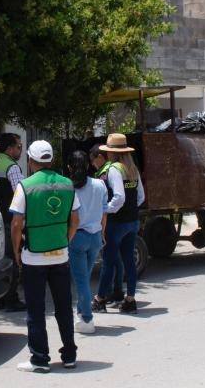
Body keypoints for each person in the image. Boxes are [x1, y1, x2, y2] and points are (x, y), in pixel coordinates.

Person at [10, 140, 80, 373]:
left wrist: (16, 250)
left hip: (33, 258)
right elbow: (75, 220)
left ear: (30, 160)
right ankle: (69, 356)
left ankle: (40, 359)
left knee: (36, 310)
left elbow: (16, 224)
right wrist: (65, 240)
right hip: (61, 255)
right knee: (64, 307)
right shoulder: (68, 184)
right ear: (51, 160)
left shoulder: (25, 186)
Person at [95, 134, 145, 314]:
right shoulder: (132, 169)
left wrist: (106, 209)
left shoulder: (114, 169)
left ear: (112, 153)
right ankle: (130, 299)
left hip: (116, 223)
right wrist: (130, 209)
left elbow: (119, 197)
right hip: (132, 220)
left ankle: (100, 299)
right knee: (129, 261)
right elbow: (141, 197)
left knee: (108, 262)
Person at [0, 132, 27, 312]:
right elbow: (21, 195)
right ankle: (11, 299)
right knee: (13, 258)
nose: (20, 150)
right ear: (9, 149)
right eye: (19, 146)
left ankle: (0, 298)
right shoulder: (12, 168)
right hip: (9, 221)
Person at [66, 150, 107, 335]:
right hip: (95, 236)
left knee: (81, 280)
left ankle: (87, 318)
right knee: (85, 277)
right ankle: (81, 313)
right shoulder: (100, 184)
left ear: (69, 167)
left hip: (77, 237)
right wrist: (102, 233)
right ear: (88, 165)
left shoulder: (68, 187)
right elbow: (104, 213)